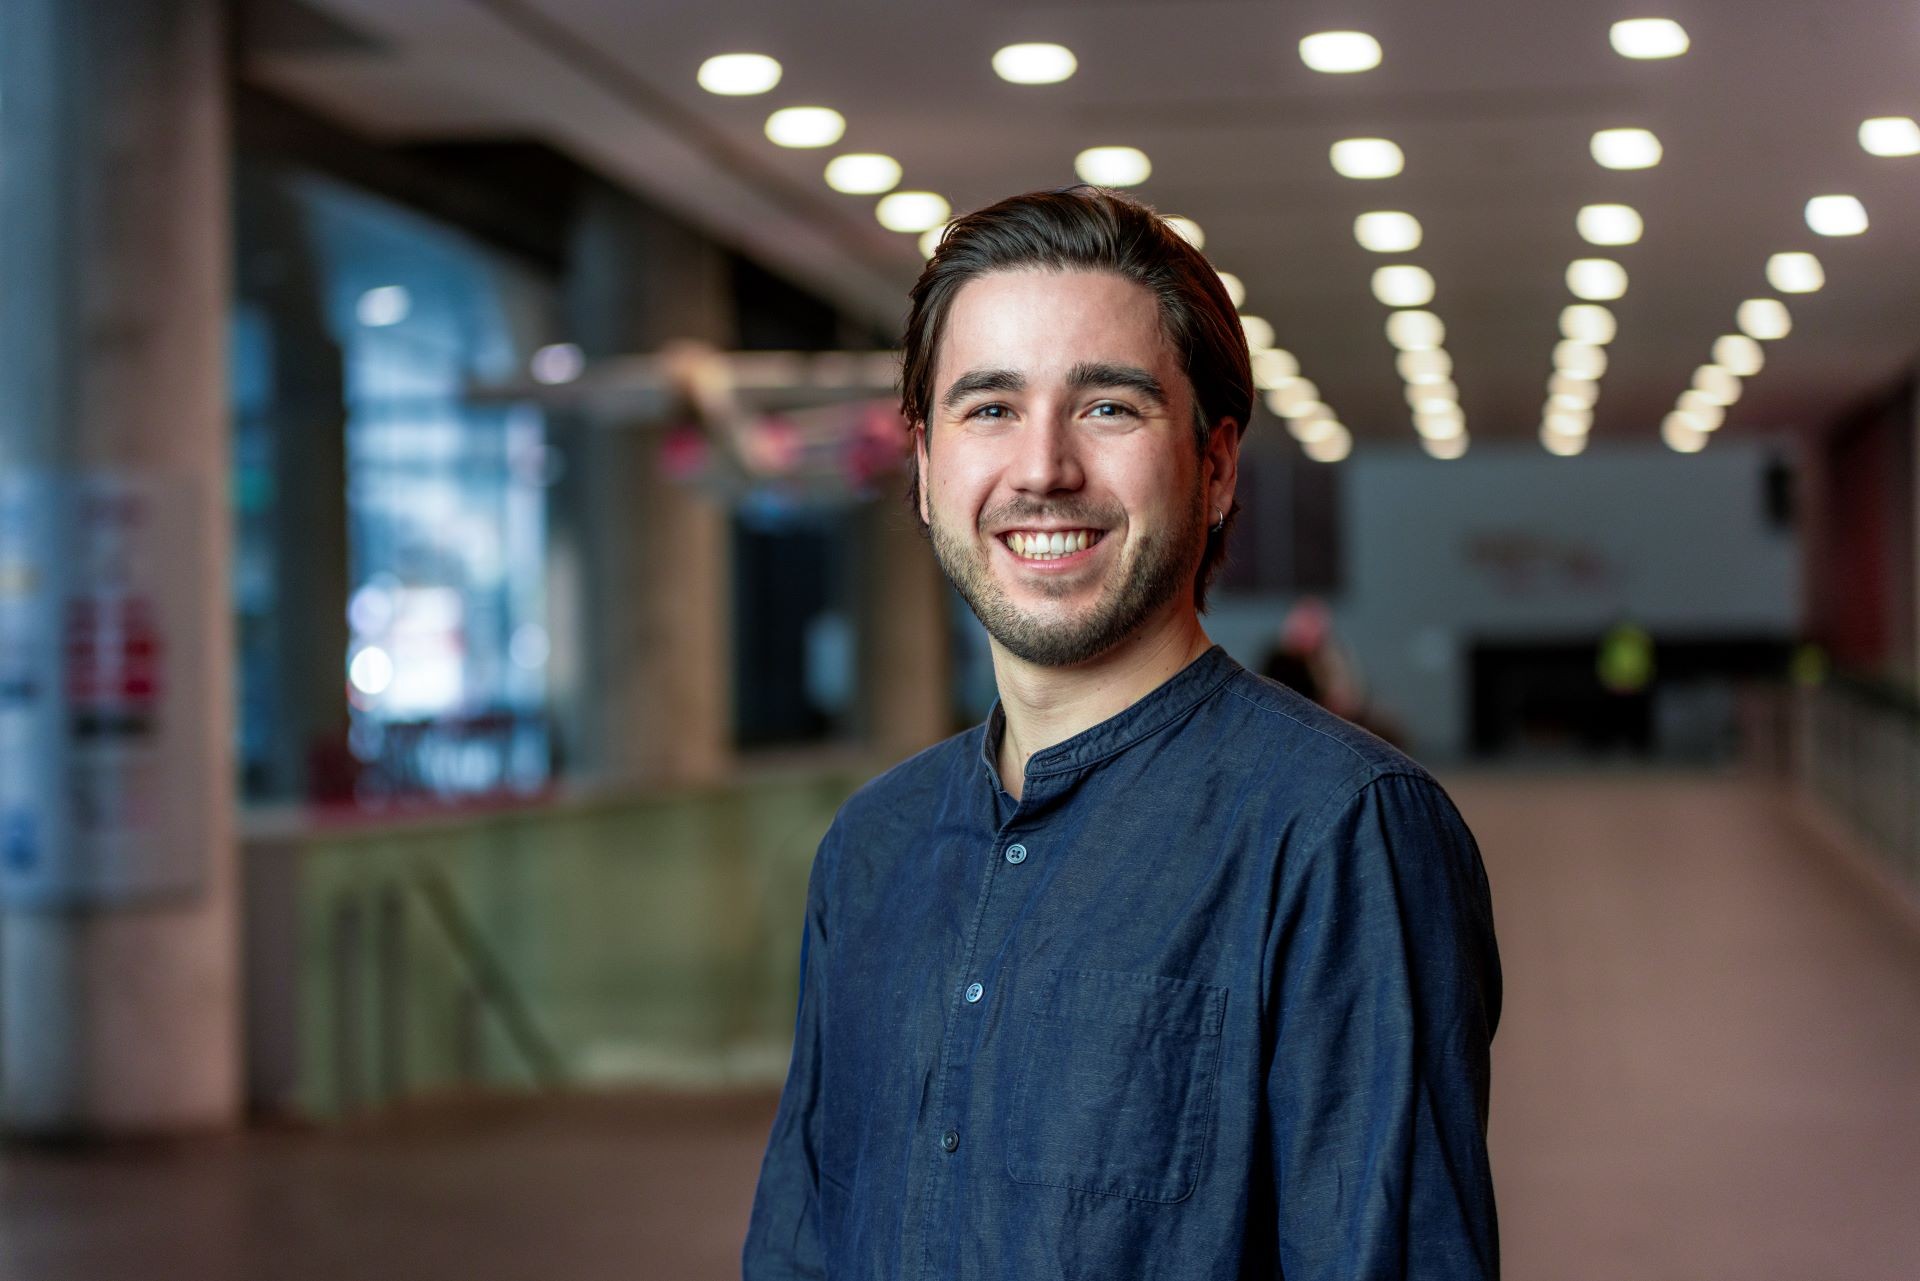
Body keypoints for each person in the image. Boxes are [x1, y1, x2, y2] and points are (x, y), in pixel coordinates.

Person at [743, 187, 1501, 1279]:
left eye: (1108, 407)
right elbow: (802, 1246)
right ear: (922, 464)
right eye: (989, 408)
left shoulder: (1340, 836)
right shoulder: (872, 849)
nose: (1043, 468)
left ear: (1218, 463)